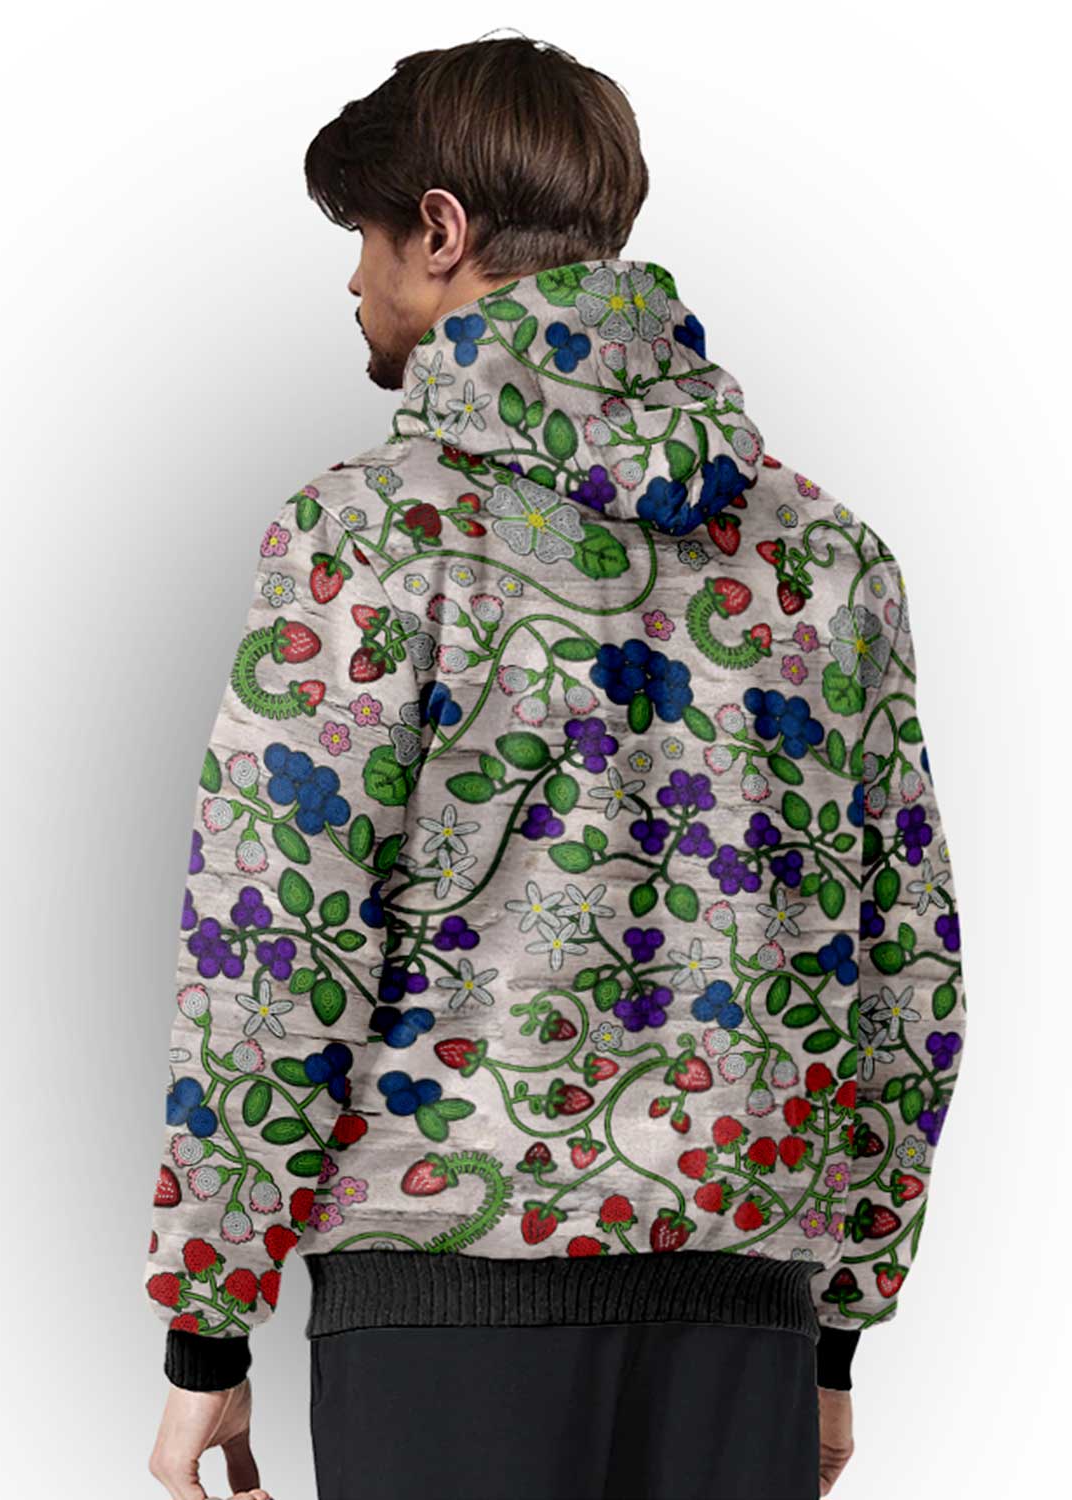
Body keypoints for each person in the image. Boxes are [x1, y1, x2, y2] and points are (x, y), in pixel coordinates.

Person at [144, 33, 969, 1500]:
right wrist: (836, 1331)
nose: (353, 282)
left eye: (365, 237)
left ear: (441, 230)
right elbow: (910, 967)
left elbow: (274, 943)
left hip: (439, 1320)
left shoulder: (371, 535)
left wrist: (209, 1326)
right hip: (745, 1311)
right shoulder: (829, 556)